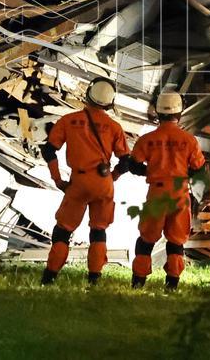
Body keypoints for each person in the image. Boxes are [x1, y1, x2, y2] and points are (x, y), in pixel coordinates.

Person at [40, 77, 131, 285]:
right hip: (103, 183)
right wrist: (112, 177)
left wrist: (57, 179)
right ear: (110, 101)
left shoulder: (69, 120)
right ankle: (94, 278)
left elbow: (49, 150)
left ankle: (50, 276)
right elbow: (126, 161)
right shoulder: (114, 127)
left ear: (88, 94)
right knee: (98, 231)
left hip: (79, 182)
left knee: (63, 230)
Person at [128, 92, 206, 290]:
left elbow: (134, 165)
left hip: (157, 193)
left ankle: (138, 282)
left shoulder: (148, 139)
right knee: (176, 240)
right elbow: (199, 169)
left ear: (157, 111)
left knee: (146, 239)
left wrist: (152, 170)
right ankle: (172, 284)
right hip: (179, 194)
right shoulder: (189, 140)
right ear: (179, 112)